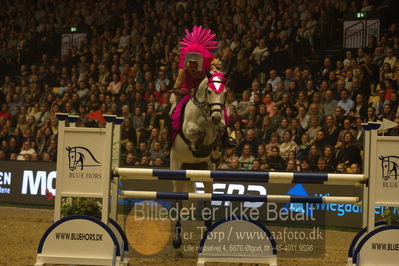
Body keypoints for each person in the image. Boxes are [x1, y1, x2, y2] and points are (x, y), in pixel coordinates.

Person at [169, 26, 218, 143]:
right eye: (190, 63)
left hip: (205, 95)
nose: (192, 66)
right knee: (175, 112)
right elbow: (175, 88)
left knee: (220, 108)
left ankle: (225, 137)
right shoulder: (184, 71)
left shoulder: (207, 71)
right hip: (186, 95)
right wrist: (185, 92)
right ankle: (169, 139)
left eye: (195, 64)